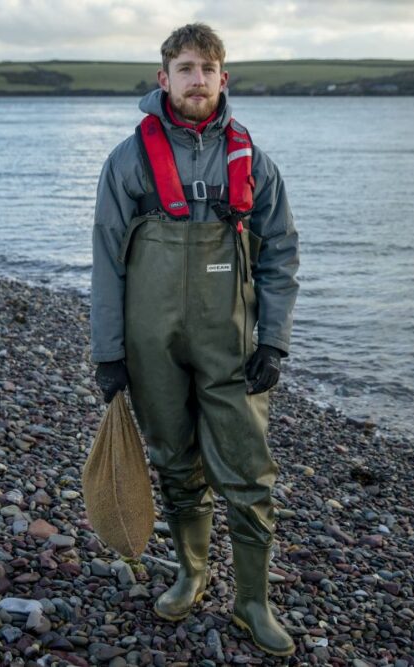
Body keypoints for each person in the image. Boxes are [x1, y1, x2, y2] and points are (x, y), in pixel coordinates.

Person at [90, 23, 299, 657]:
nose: (197, 80)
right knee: (175, 461)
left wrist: (275, 341)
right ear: (164, 79)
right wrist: (108, 352)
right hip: (151, 339)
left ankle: (253, 603)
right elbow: (106, 259)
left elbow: (281, 253)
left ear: (223, 79)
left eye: (208, 69)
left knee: (248, 469)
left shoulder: (254, 161)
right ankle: (191, 573)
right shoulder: (128, 160)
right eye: (185, 68)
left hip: (231, 340)